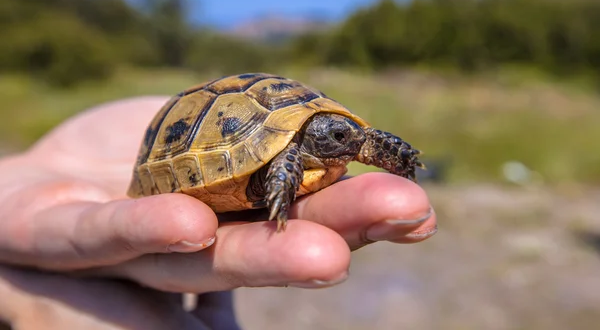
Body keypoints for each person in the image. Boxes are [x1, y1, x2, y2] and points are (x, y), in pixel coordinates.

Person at [0, 96, 437, 329]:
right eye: (337, 135)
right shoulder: (288, 154)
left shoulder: (332, 141)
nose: (348, 142)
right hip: (211, 156)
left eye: (344, 135)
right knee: (279, 165)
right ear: (309, 138)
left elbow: (362, 138)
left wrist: (400, 160)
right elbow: (282, 158)